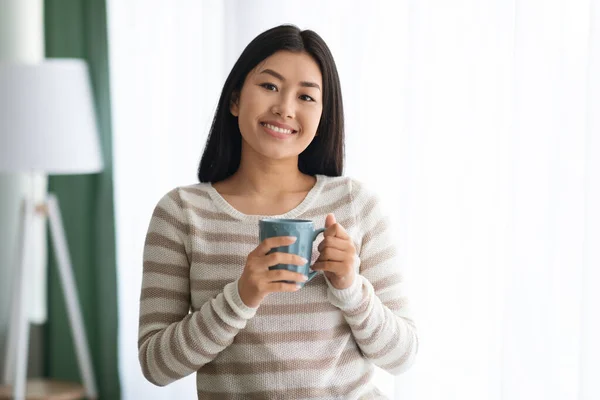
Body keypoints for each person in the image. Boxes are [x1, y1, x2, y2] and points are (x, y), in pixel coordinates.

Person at [138, 24, 417, 399]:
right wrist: (241, 296)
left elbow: (402, 356)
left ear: (322, 118)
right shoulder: (181, 213)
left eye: (306, 97)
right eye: (269, 86)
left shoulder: (355, 204)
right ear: (235, 100)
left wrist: (351, 287)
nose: (285, 108)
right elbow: (156, 366)